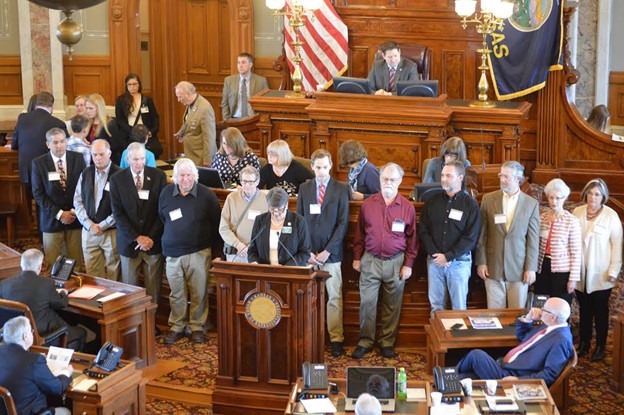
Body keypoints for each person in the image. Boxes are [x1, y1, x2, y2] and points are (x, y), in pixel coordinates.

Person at [351, 163, 418, 359]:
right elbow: (359, 234)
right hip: (370, 261)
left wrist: (408, 264)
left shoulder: (407, 208)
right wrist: (357, 258)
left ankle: (387, 343)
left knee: (392, 305)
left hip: (396, 262)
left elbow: (413, 240)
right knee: (367, 304)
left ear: (400, 181)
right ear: (380, 180)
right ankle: (365, 342)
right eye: (385, 179)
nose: (388, 183)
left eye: (392, 179)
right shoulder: (368, 205)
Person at [159, 158, 221, 344]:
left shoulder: (207, 195)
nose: (185, 179)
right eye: (181, 175)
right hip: (172, 253)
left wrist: (216, 253)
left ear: (195, 176)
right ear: (175, 177)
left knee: (198, 291)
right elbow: (162, 218)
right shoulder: (165, 193)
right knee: (176, 292)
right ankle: (177, 325)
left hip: (199, 251)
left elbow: (216, 224)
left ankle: (197, 326)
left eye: (188, 175)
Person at [296, 149, 350, 356]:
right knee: (306, 296)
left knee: (334, 297)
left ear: (330, 166)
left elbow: (342, 223)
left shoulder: (340, 188)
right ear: (312, 167)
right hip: (308, 254)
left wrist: (328, 250)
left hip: (332, 254)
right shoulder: (305, 188)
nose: (321, 171)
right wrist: (307, 251)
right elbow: (300, 220)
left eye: (325, 167)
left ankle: (336, 338)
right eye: (318, 167)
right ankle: (306, 335)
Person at [456, 297, 574, 387]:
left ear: (553, 317)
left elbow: (550, 374)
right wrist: (528, 318)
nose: (540, 311)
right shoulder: (549, 326)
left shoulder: (561, 340)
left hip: (511, 376)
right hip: (504, 365)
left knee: (476, 355)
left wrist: (518, 381)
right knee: (462, 378)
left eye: (544, 309)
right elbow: (522, 335)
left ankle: (448, 375)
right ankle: (448, 378)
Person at [418, 160, 481, 313]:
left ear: (460, 177)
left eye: (449, 175)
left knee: (459, 308)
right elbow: (423, 229)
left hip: (459, 263)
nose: (444, 179)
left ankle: (457, 337)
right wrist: (435, 254)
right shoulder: (432, 202)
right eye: (442, 175)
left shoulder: (471, 205)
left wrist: (448, 256)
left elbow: (471, 237)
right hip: (434, 262)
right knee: (436, 307)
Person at [476, 161, 540, 309]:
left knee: (516, 317)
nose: (502, 180)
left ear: (518, 178)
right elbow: (482, 234)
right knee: (495, 316)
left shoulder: (531, 204)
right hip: (493, 266)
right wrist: (481, 261)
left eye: (506, 177)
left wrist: (531, 268)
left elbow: (533, 240)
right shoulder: (488, 199)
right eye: (501, 176)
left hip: (519, 269)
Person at [110, 142, 168, 305]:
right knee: (130, 289)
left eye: (142, 159)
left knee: (153, 288)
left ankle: (152, 322)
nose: (139, 163)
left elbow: (161, 211)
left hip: (152, 242)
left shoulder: (158, 176)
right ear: (127, 159)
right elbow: (118, 213)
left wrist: (149, 237)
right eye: (135, 159)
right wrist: (137, 238)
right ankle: (133, 322)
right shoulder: (116, 179)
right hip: (129, 243)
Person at [572, 179, 622, 361]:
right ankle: (584, 343)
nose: (593, 197)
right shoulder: (577, 212)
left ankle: (600, 345)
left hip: (602, 273)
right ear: (585, 193)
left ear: (603, 197)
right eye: (591, 193)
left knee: (600, 311)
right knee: (584, 309)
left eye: (597, 194)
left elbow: (617, 245)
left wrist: (613, 270)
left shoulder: (611, 215)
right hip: (580, 272)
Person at [0, 249, 86, 351]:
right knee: (81, 332)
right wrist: (63, 292)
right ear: (40, 266)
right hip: (40, 335)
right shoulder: (46, 283)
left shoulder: (4, 284)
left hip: (13, 334)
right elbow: (61, 303)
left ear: (21, 264)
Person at [31, 127, 86, 271]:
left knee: (76, 265)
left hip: (75, 219)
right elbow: (38, 194)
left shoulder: (78, 159)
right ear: (48, 144)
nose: (59, 145)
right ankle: (54, 293)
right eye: (55, 142)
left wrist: (73, 212)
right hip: (51, 220)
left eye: (62, 141)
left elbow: (84, 189)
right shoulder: (39, 163)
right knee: (52, 265)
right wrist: (60, 214)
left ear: (67, 141)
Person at [0, 316, 73, 415]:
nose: (32, 334)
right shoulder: (34, 361)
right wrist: (66, 372)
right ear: (25, 336)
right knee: (65, 411)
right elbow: (57, 387)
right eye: (31, 331)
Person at [73, 139, 122, 280]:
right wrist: (89, 224)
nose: (98, 158)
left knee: (115, 274)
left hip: (111, 232)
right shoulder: (86, 173)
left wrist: (103, 225)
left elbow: (121, 207)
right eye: (94, 155)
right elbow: (77, 200)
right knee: (92, 274)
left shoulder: (119, 174)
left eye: (101, 154)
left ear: (109, 153)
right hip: (89, 232)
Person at [535, 179, 581, 304]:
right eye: (551, 197)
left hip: (562, 271)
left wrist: (573, 279)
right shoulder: (542, 218)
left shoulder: (571, 221)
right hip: (542, 267)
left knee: (559, 307)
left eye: (558, 198)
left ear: (564, 198)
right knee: (541, 304)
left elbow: (576, 252)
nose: (554, 202)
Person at [12, 91, 68, 188]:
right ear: (52, 105)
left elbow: (14, 145)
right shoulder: (58, 123)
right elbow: (65, 148)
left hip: (26, 173)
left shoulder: (22, 118)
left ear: (36, 104)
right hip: (48, 174)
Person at [247, 187, 311, 266]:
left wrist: (286, 268)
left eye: (280, 210)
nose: (276, 213)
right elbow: (252, 250)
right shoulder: (260, 220)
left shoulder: (298, 221)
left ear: (286, 205)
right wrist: (254, 262)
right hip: (264, 272)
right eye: (272, 209)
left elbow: (305, 252)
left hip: (290, 273)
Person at [219, 166, 269, 263]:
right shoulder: (231, 198)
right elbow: (223, 228)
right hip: (236, 252)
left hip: (257, 254)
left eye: (250, 182)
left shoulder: (266, 199)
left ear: (257, 182)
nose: (247, 185)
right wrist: (238, 244)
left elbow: (269, 228)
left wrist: (253, 247)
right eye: (244, 181)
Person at [115, 73, 163, 159]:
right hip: (128, 133)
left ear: (139, 85)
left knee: (153, 151)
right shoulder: (121, 100)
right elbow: (119, 120)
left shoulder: (147, 100)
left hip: (145, 133)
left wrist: (152, 131)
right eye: (129, 84)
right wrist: (132, 131)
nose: (132, 86)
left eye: (134, 84)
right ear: (126, 86)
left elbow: (155, 117)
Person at [174, 81, 217, 167]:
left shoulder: (205, 109)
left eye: (180, 97)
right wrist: (181, 132)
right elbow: (190, 121)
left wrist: (207, 159)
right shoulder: (191, 104)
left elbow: (209, 137)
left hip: (200, 157)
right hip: (191, 155)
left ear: (188, 94)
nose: (178, 100)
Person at [221, 52, 269, 120]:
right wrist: (226, 120)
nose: (240, 65)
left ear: (250, 64)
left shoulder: (261, 81)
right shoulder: (229, 81)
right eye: (238, 63)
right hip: (234, 119)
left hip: (253, 119)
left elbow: (266, 103)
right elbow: (225, 103)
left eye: (243, 62)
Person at [85, 93, 126, 165]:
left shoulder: (110, 124)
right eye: (87, 108)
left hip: (108, 162)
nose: (88, 111)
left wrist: (98, 148)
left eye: (91, 108)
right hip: (94, 162)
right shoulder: (89, 123)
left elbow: (116, 146)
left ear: (99, 108)